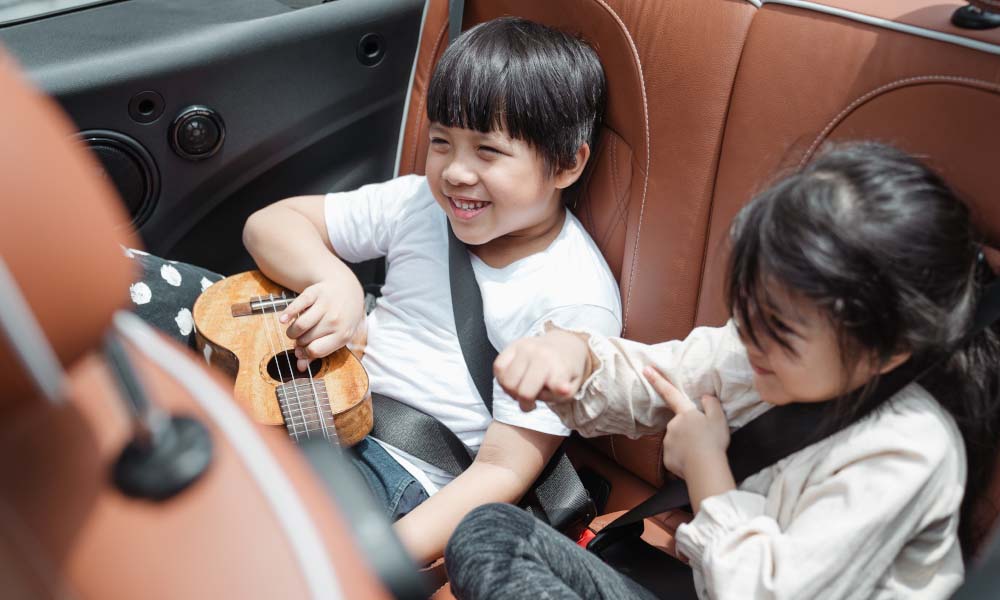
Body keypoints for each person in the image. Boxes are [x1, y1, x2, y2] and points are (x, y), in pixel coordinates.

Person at [125, 17, 622, 565]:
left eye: (488, 152)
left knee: (232, 533)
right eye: (440, 142)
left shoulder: (573, 301)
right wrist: (331, 278)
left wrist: (374, 560)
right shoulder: (419, 205)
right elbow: (269, 224)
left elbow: (500, 471)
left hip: (398, 469)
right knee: (120, 285)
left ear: (567, 163)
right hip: (312, 391)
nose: (455, 173)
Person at [445, 142, 1000, 599]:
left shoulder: (909, 450)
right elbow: (657, 377)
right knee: (488, 534)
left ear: (888, 348)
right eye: (746, 307)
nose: (748, 335)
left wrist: (705, 465)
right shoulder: (755, 349)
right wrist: (573, 357)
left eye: (780, 329)